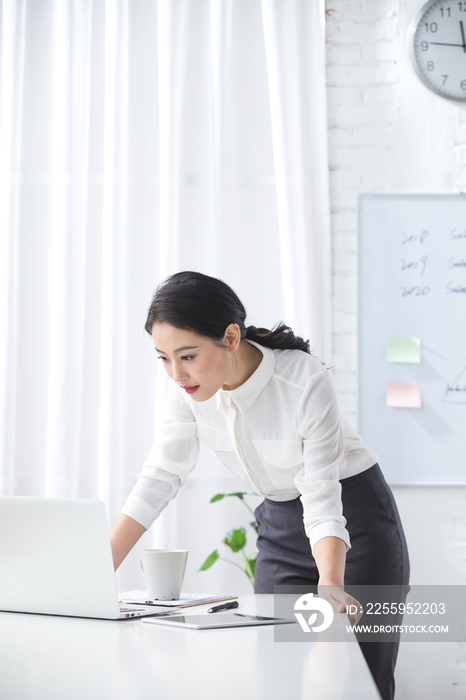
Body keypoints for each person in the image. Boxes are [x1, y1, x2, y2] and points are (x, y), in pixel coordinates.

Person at [110, 270, 409, 700]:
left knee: (355, 682)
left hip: (356, 520)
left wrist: (330, 581)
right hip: (281, 526)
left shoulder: (303, 381)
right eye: (163, 358)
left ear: (231, 337)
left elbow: (322, 492)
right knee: (279, 677)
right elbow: (159, 476)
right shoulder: (186, 391)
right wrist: (100, 574)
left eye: (188, 355)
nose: (176, 373)